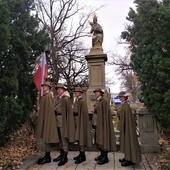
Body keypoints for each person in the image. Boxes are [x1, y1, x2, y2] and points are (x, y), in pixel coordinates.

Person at [91, 88, 116, 165]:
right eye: (96, 92)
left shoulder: (104, 101)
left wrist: (94, 109)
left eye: (98, 92)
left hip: (102, 123)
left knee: (103, 139)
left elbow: (104, 112)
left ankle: (105, 157)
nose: (96, 93)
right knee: (99, 139)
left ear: (101, 93)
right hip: (97, 123)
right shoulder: (98, 100)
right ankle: (102, 154)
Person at [36, 81, 59, 165]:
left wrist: (47, 121)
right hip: (45, 119)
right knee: (46, 138)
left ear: (49, 88)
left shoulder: (48, 96)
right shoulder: (46, 96)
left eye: (45, 86)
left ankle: (47, 156)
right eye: (44, 86)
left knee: (47, 138)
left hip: (47, 120)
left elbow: (49, 110)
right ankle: (46, 155)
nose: (44, 87)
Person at [53, 83, 75, 166]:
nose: (59, 90)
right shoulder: (57, 98)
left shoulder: (66, 99)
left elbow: (68, 112)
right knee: (59, 139)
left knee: (63, 139)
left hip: (63, 121)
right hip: (57, 120)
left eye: (61, 89)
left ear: (64, 90)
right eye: (58, 89)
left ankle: (65, 156)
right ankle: (61, 154)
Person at [118, 91, 141, 166]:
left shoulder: (126, 106)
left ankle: (130, 159)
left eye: (121, 97)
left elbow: (126, 118)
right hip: (125, 126)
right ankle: (127, 157)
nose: (120, 98)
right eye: (120, 97)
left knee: (128, 141)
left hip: (127, 127)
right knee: (126, 142)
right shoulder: (123, 105)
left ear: (125, 97)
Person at [73, 87, 92, 164]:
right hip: (77, 121)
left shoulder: (82, 101)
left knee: (81, 138)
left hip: (80, 121)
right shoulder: (77, 100)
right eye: (75, 92)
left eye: (77, 92)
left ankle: (82, 155)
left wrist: (73, 109)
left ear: (80, 93)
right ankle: (80, 153)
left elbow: (81, 112)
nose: (76, 93)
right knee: (78, 138)